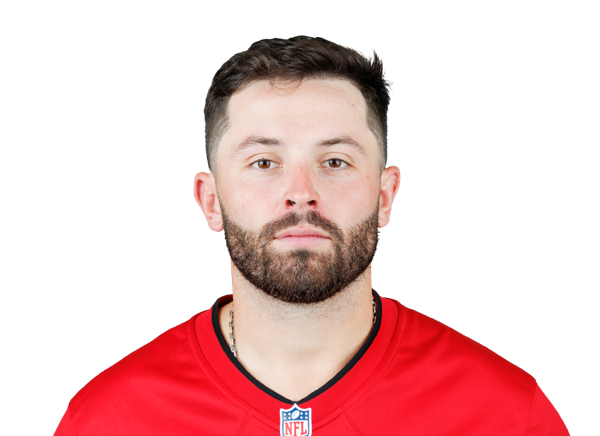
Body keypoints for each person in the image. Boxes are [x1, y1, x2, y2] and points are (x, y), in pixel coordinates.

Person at [53, 36, 569, 435]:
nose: (301, 194)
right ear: (210, 200)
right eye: (264, 162)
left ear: (385, 195)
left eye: (335, 161)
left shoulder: (508, 412)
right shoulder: (106, 419)